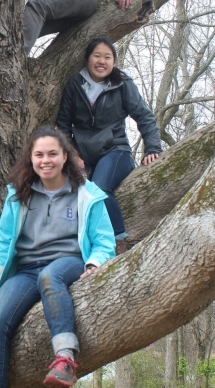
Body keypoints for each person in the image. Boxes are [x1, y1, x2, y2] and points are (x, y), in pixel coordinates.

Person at [0, 127, 115, 388]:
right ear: (30, 159)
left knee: (51, 276)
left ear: (65, 158)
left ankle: (65, 359)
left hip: (68, 262)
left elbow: (104, 241)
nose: (45, 160)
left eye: (52, 154)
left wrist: (93, 263)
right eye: (39, 154)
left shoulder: (87, 194)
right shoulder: (18, 193)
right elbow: (6, 238)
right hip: (26, 270)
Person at [56, 38, 162, 254]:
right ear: (87, 59)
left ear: (114, 61)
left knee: (99, 187)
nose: (101, 61)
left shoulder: (122, 84)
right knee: (70, 191)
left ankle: (118, 240)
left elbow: (144, 116)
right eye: (97, 55)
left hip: (115, 150)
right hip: (82, 154)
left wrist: (153, 149)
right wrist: (73, 155)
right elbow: (63, 126)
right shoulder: (75, 85)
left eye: (107, 57)